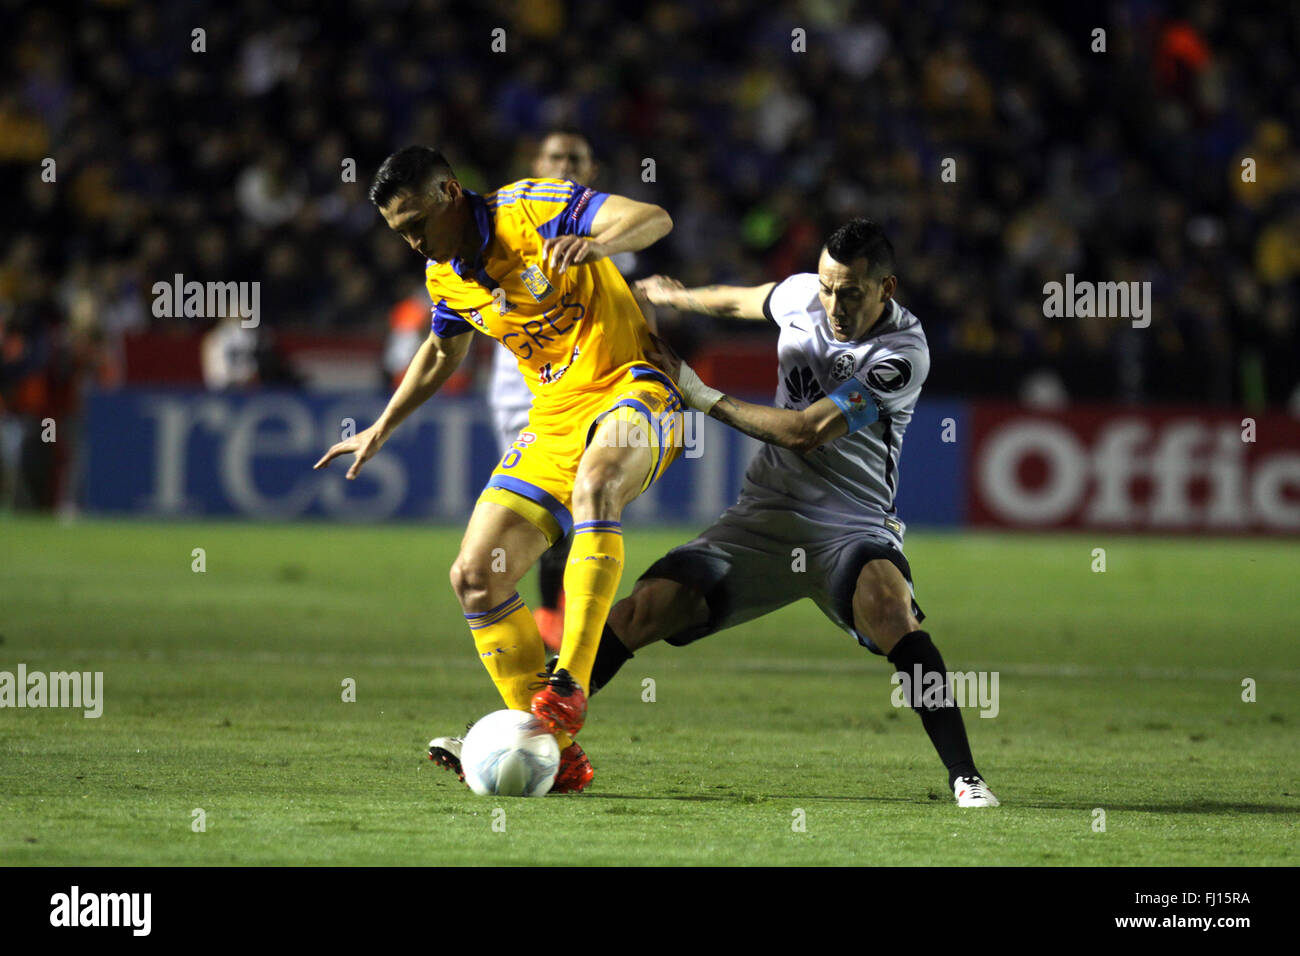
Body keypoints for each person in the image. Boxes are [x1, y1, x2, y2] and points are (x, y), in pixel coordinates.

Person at [581, 219, 1000, 806]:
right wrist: (679, 296)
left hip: (849, 521)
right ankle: (528, 727)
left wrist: (696, 393)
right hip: (766, 515)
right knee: (643, 608)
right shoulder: (807, 293)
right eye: (828, 287)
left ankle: (966, 776)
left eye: (851, 292)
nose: (834, 303)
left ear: (888, 288)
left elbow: (806, 432)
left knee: (890, 611)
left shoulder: (901, 355)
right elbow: (743, 299)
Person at [314, 146, 682, 793]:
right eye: (399, 233)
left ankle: (567, 684)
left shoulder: (535, 208)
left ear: (449, 193)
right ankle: (557, 755)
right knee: (474, 575)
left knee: (598, 484)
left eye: (417, 225)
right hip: (555, 417)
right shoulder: (444, 277)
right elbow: (438, 354)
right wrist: (382, 425)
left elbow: (654, 218)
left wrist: (600, 245)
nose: (412, 244)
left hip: (636, 388)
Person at [487, 128, 647, 650]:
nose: (566, 166)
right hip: (520, 388)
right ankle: (555, 617)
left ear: (592, 170)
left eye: (576, 159)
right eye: (556, 157)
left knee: (583, 502)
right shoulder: (509, 225)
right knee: (545, 506)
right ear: (537, 162)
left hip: (590, 385)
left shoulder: (607, 242)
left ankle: (559, 621)